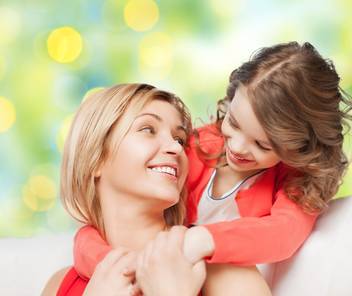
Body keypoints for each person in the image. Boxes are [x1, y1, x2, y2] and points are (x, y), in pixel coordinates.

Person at [73, 42, 352, 293]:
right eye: (233, 123)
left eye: (262, 144)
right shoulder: (196, 146)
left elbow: (284, 233)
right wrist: (120, 267)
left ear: (299, 148)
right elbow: (101, 223)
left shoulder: (293, 182)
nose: (237, 147)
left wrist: (202, 239)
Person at [41, 83, 271, 296]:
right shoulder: (59, 285)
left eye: (179, 139)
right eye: (149, 130)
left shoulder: (221, 267)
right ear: (96, 158)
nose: (176, 148)